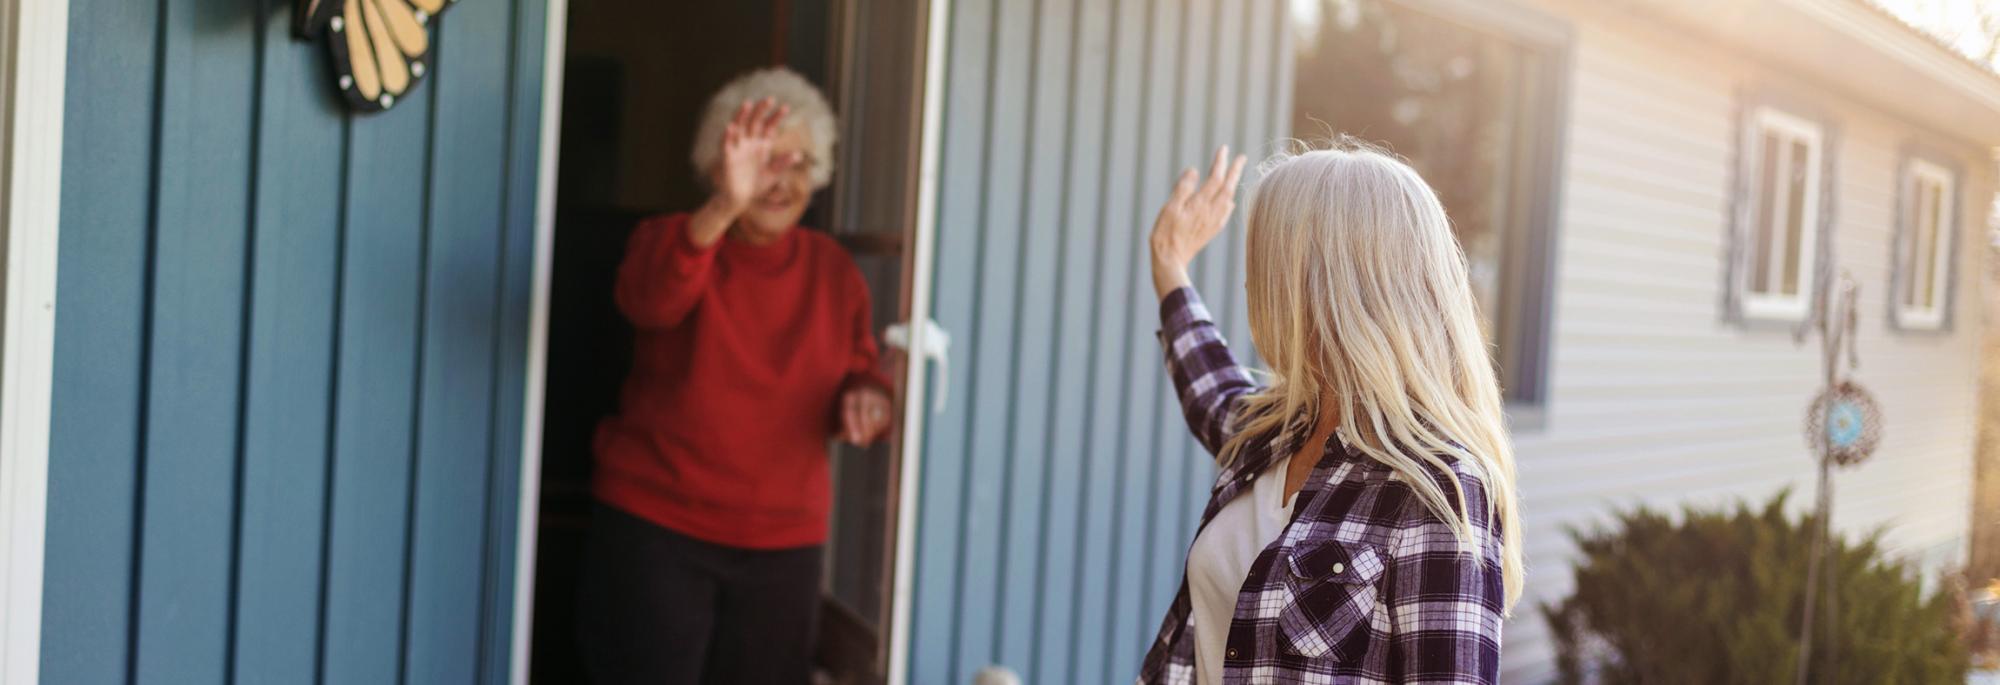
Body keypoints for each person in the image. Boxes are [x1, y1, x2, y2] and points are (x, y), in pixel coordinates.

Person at [1138, 141, 1523, 684]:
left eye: (1264, 264)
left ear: (1320, 285)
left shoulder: (1437, 488)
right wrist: (1169, 266)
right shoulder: (1276, 433)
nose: (1252, 285)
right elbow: (1211, 389)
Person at [578, 67, 895, 685]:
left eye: (800, 161)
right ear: (722, 162)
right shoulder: (673, 240)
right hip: (658, 526)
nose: (784, 180)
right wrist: (725, 204)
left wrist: (869, 400)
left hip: (784, 540)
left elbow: (859, 373)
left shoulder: (833, 270)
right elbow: (647, 300)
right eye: (765, 160)